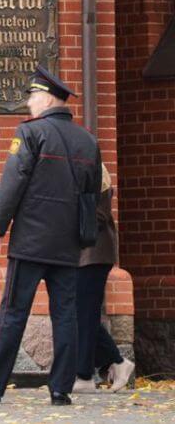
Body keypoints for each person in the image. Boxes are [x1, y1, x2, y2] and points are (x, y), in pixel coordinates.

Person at [0, 66, 102, 406]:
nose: (29, 103)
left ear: (47, 99)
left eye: (32, 96)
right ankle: (61, 388)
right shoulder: (88, 141)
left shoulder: (30, 133)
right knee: (66, 315)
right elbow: (93, 193)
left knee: (13, 313)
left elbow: (13, 182)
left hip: (31, 241)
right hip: (69, 244)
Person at [74, 163, 135, 393]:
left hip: (94, 255)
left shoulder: (94, 171)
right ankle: (117, 363)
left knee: (85, 315)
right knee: (81, 314)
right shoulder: (85, 169)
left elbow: (98, 215)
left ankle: (85, 375)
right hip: (87, 256)